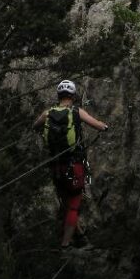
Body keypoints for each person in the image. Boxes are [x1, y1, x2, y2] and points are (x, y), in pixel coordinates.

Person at [33, 79, 109, 251]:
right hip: (74, 166)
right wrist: (105, 127)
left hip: (56, 167)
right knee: (74, 204)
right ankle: (65, 245)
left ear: (59, 95)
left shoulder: (48, 113)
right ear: (73, 96)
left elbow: (35, 126)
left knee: (66, 203)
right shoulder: (76, 111)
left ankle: (80, 237)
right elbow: (97, 124)